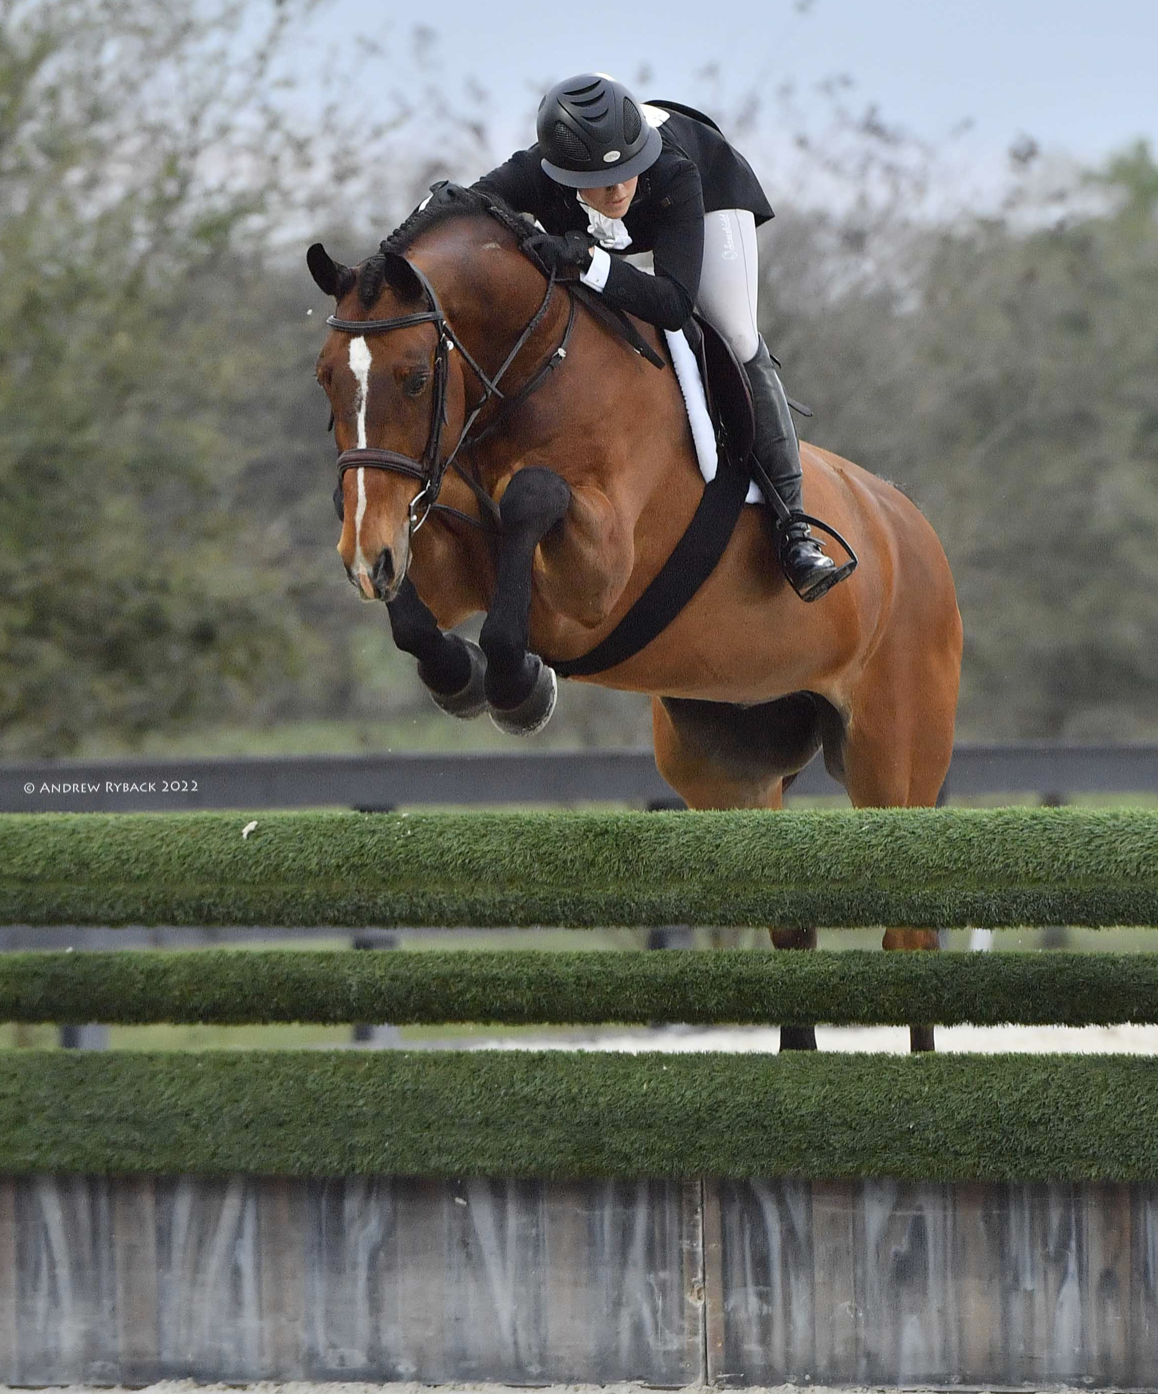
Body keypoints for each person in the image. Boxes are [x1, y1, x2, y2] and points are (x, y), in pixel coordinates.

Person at [473, 72, 847, 602]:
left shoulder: (670, 173)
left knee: (736, 334)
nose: (621, 188)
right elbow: (469, 207)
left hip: (710, 192)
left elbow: (674, 304)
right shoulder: (532, 172)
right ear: (559, 173)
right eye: (604, 181)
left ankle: (795, 530)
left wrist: (587, 261)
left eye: (629, 171)